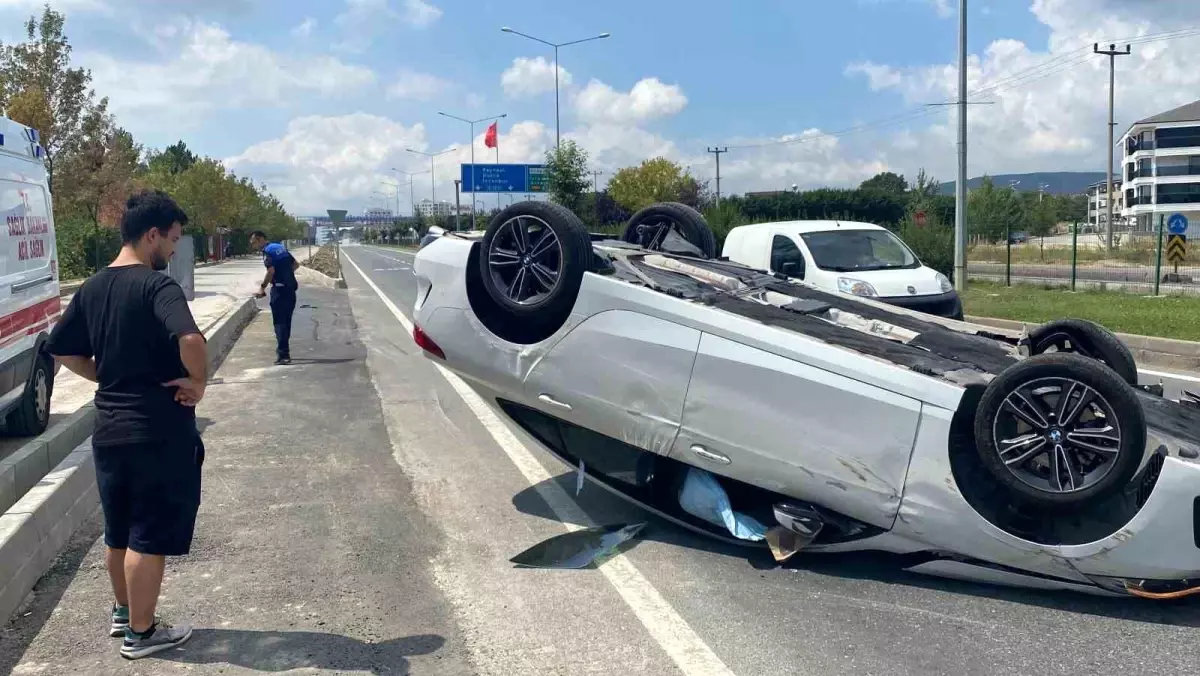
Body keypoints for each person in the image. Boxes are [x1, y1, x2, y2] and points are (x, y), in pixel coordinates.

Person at [47, 189, 206, 660]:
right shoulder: (158, 287)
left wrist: (105, 374)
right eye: (173, 240)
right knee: (147, 535)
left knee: (117, 530)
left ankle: (122, 612)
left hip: (110, 429)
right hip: (155, 430)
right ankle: (143, 633)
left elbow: (61, 349)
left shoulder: (93, 287)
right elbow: (191, 338)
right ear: (152, 234)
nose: (174, 250)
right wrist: (198, 382)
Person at [250, 232, 299, 365]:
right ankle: (284, 350)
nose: (253, 246)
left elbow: (270, 271)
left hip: (279, 291)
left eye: (253, 243)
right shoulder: (280, 247)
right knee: (286, 322)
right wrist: (285, 274)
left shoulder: (267, 252)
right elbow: (296, 265)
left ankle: (284, 355)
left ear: (260, 240)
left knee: (279, 323)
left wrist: (262, 287)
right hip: (290, 288)